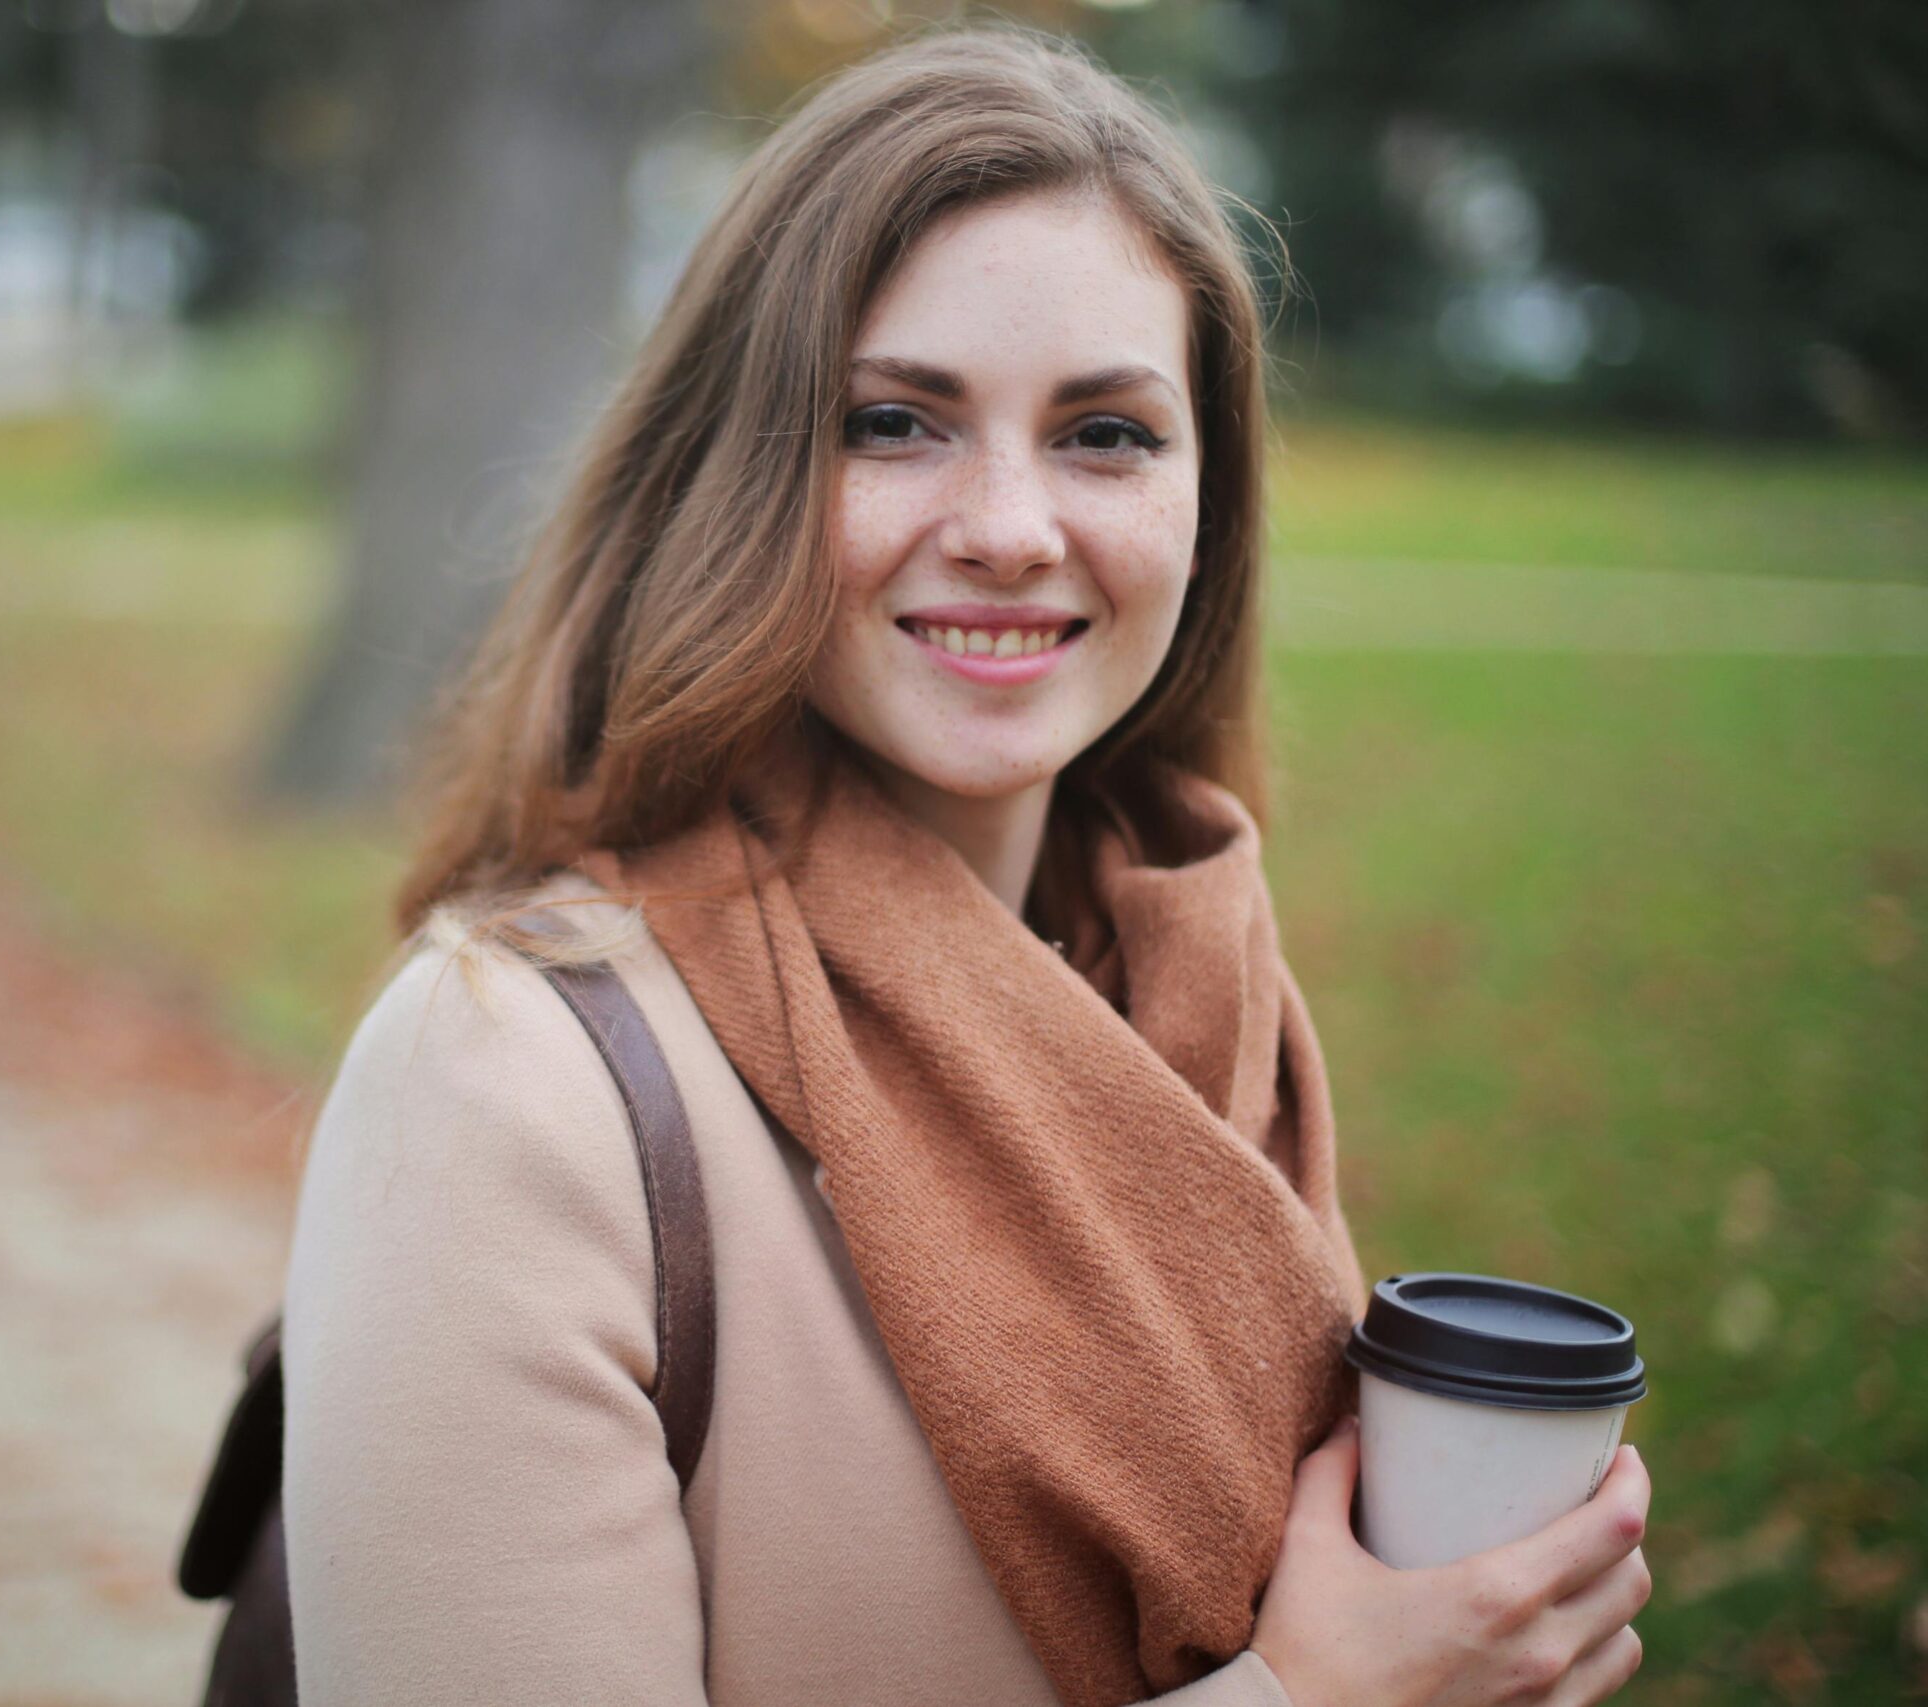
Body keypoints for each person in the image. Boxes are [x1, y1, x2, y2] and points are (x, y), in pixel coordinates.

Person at [276, 26, 1653, 1707]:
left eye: (1107, 434)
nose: (1012, 524)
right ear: (742, 470)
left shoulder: (1196, 993)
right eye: (895, 421)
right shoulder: (504, 1080)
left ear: (1207, 499)